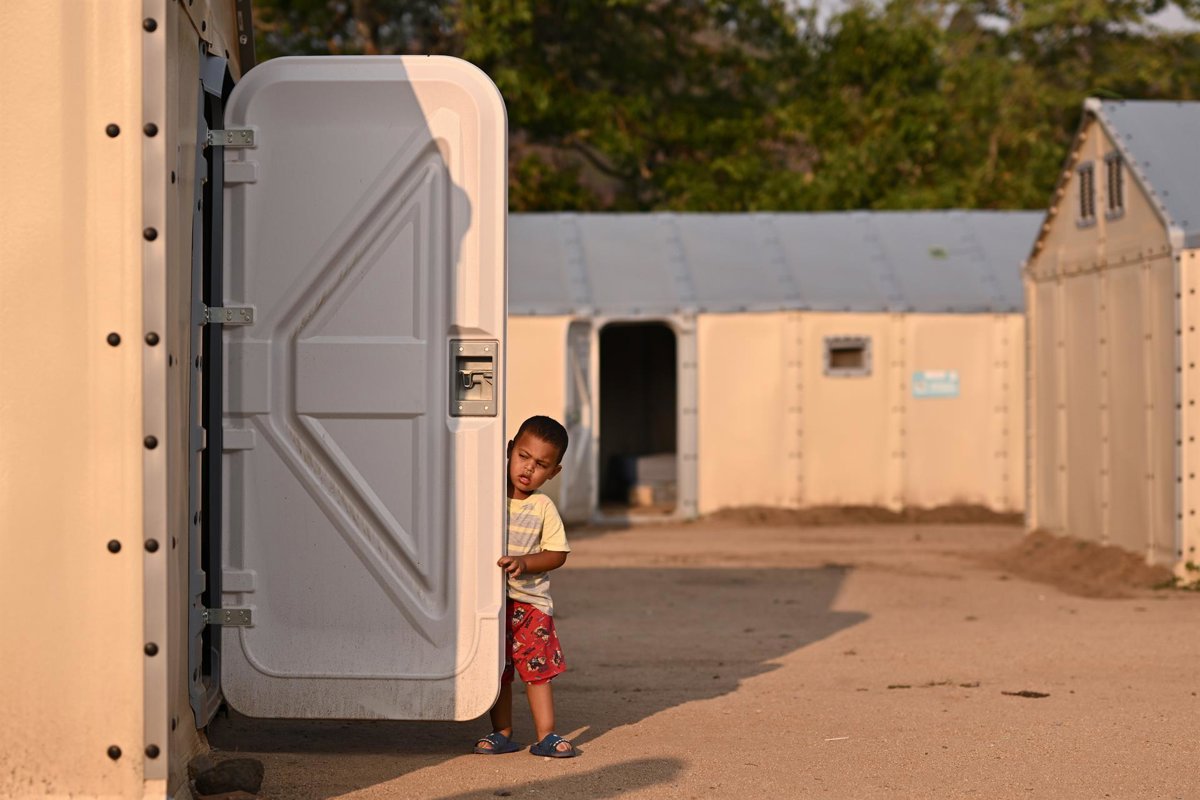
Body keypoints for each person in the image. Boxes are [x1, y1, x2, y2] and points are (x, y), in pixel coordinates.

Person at [474, 415, 578, 758]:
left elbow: (557, 553)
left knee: (537, 673)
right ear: (509, 450)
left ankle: (546, 735)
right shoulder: (488, 497)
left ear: (553, 472)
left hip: (530, 606)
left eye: (541, 464)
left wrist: (525, 562)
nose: (528, 468)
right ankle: (501, 732)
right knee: (498, 671)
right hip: (491, 603)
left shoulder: (543, 507)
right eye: (523, 456)